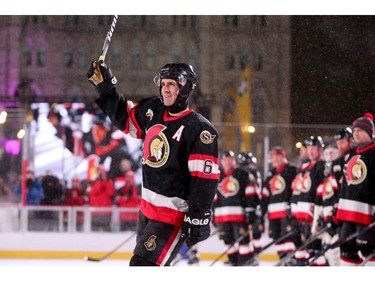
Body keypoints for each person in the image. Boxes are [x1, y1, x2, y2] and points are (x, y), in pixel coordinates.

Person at [87, 61, 220, 266]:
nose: (165, 88)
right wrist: (105, 87)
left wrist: (199, 216)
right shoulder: (153, 110)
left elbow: (203, 180)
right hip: (147, 210)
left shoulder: (200, 130)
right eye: (163, 83)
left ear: (185, 88)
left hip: (172, 214)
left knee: (142, 266)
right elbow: (126, 118)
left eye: (172, 84)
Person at [336, 113, 375, 266]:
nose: (356, 132)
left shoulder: (373, 153)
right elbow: (345, 186)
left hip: (367, 214)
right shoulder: (351, 155)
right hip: (348, 215)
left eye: (360, 129)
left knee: (368, 249)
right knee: (346, 250)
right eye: (354, 130)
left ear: (370, 132)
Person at [213, 150, 259, 266]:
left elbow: (251, 193)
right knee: (228, 242)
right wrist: (213, 214)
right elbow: (214, 197)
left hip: (240, 217)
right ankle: (234, 263)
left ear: (234, 161)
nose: (227, 162)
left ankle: (246, 263)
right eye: (225, 160)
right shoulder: (218, 176)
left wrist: (250, 210)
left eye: (230, 160)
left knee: (243, 242)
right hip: (222, 217)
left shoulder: (243, 174)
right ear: (221, 162)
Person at [260, 146, 298, 261]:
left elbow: (296, 189)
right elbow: (265, 194)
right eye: (272, 157)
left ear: (283, 156)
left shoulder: (292, 170)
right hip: (273, 213)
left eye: (277, 156)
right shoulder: (270, 174)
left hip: (287, 212)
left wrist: (292, 205)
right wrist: (262, 211)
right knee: (277, 238)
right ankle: (283, 260)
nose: (275, 159)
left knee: (288, 237)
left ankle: (291, 260)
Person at [87, 166, 116, 232]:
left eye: (102, 172)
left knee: (106, 233)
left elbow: (111, 193)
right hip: (95, 212)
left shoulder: (108, 182)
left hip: (106, 212)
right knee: (94, 233)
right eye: (99, 172)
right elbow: (92, 192)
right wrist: (99, 182)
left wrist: (105, 181)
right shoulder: (91, 183)